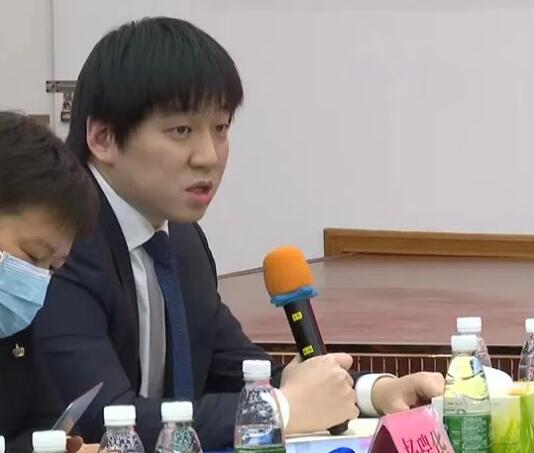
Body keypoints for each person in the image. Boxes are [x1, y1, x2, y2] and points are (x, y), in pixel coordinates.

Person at [33, 17, 445, 452]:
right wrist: (282, 410)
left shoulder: (182, 240)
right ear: (103, 138)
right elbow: (105, 421)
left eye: (221, 128)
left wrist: (373, 392)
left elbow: (242, 371)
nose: (209, 157)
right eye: (181, 131)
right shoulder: (57, 244)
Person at [0, 112, 98, 453]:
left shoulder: (12, 329)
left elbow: (46, 422)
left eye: (53, 267)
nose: (37, 279)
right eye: (32, 255)